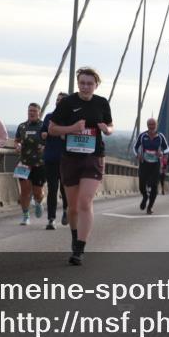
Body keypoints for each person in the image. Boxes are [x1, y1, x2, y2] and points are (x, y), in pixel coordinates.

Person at [47, 67, 114, 266]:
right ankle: (75, 237)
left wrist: (107, 130)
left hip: (93, 157)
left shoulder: (101, 103)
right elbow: (52, 129)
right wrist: (72, 129)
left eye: (89, 83)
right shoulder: (68, 103)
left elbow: (110, 125)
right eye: (82, 83)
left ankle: (80, 248)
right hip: (70, 158)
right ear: (78, 83)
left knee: (85, 202)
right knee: (73, 207)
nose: (85, 86)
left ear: (96, 85)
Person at [14, 103, 46, 226]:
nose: (31, 113)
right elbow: (17, 140)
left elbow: (50, 141)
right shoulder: (22, 126)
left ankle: (38, 202)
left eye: (34, 111)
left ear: (39, 112)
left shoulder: (44, 126)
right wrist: (17, 146)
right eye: (29, 111)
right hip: (24, 162)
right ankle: (25, 215)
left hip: (40, 163)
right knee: (25, 191)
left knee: (38, 192)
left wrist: (44, 146)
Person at [41, 92, 69, 227]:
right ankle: (51, 219)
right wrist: (44, 134)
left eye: (62, 100)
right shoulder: (49, 117)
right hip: (50, 158)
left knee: (65, 189)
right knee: (52, 189)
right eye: (57, 100)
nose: (58, 102)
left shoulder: (71, 119)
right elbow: (42, 133)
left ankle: (66, 210)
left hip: (66, 159)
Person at [135, 118, 169, 214]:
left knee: (154, 186)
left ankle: (150, 207)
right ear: (147, 125)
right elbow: (135, 147)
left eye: (153, 124)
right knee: (142, 185)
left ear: (156, 125)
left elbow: (167, 149)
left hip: (155, 164)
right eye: (149, 124)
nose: (151, 126)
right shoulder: (142, 136)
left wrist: (161, 153)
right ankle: (145, 197)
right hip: (144, 163)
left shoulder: (160, 136)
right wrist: (138, 155)